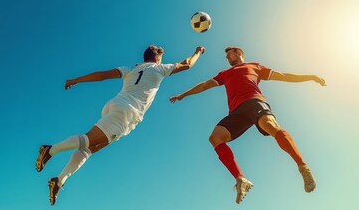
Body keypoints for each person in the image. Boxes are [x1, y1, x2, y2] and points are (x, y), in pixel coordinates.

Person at [36, 45, 205, 206]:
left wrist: (76, 80)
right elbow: (187, 64)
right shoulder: (160, 68)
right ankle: (50, 150)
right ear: (157, 58)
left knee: (90, 148)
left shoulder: (129, 69)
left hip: (116, 107)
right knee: (88, 141)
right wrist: (197, 52)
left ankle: (59, 180)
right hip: (125, 112)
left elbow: (102, 75)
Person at [169, 46, 326, 205]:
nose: (227, 58)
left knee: (270, 126)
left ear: (238, 53)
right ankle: (241, 179)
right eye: (226, 57)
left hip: (254, 102)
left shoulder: (254, 66)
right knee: (215, 137)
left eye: (229, 55)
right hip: (236, 113)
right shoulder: (224, 74)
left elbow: (283, 76)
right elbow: (204, 85)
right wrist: (183, 95)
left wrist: (311, 77)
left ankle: (303, 167)